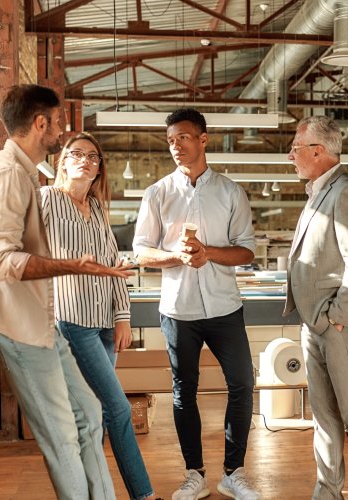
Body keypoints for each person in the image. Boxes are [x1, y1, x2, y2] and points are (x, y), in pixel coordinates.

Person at [0, 84, 133, 499]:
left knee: (91, 415)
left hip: (42, 322)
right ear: (40, 124)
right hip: (16, 324)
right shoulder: (7, 176)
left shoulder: (23, 174)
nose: (62, 131)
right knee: (62, 435)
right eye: (58, 123)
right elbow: (1, 260)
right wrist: (74, 266)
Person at [132, 108, 260, 500]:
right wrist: (178, 257)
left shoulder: (231, 192)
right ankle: (195, 475)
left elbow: (247, 252)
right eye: (170, 139)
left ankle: (233, 473)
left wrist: (209, 254)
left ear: (203, 139)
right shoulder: (157, 194)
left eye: (183, 137)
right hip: (178, 310)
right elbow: (140, 252)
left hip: (225, 308)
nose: (176, 145)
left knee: (242, 383)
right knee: (183, 391)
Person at [40, 132, 156, 500]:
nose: (87, 161)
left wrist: (124, 317)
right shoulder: (45, 200)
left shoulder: (97, 209)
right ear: (63, 161)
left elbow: (115, 266)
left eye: (94, 157)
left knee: (94, 420)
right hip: (73, 322)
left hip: (106, 324)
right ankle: (144, 494)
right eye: (78, 154)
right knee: (118, 410)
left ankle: (96, 491)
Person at [283, 115, 348, 500]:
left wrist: (337, 318)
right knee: (324, 418)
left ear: (318, 151)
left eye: (296, 148)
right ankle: (327, 491)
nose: (290, 155)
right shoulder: (318, 193)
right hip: (315, 323)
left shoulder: (346, 192)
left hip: (338, 325)